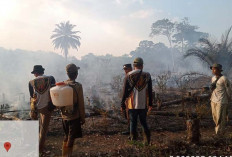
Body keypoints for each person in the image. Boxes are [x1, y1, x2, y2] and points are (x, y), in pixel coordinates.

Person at [121, 57, 153, 145]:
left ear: (134, 65)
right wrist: (150, 104)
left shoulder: (128, 75)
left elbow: (125, 92)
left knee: (133, 123)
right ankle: (147, 141)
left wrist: (122, 104)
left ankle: (133, 141)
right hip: (143, 104)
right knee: (144, 122)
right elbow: (150, 91)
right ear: (142, 66)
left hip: (132, 104)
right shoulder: (147, 75)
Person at [28, 65, 56, 152]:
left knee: (40, 126)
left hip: (37, 108)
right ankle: (40, 148)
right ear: (42, 72)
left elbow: (32, 97)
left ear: (36, 73)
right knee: (44, 128)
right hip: (47, 107)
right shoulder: (50, 78)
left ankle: (39, 144)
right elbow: (54, 92)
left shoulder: (31, 82)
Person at [60, 63, 85, 157]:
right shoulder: (77, 86)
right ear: (76, 74)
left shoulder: (62, 85)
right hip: (74, 117)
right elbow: (81, 103)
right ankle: (67, 155)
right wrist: (82, 117)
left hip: (64, 116)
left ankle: (64, 154)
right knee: (71, 138)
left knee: (66, 136)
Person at [210, 63, 231, 135]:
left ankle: (219, 134)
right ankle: (218, 133)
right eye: (212, 69)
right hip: (213, 100)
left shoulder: (224, 79)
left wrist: (229, 99)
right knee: (215, 118)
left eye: (214, 68)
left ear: (219, 70)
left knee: (220, 118)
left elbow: (229, 90)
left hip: (222, 101)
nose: (213, 70)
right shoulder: (213, 78)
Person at [121, 64, 132, 135]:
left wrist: (122, 103)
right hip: (132, 99)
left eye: (126, 69)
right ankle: (130, 130)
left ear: (130, 69)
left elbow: (125, 92)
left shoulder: (128, 77)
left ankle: (131, 131)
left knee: (129, 115)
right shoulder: (135, 75)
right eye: (124, 69)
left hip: (130, 99)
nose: (125, 71)